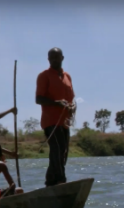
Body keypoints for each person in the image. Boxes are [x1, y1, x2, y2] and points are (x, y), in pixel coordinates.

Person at [35, 47, 77, 187]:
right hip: (51, 121)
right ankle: (60, 180)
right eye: (51, 57)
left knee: (63, 152)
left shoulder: (67, 76)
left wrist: (73, 107)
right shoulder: (44, 76)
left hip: (64, 121)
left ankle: (51, 181)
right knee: (57, 150)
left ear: (62, 58)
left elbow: (72, 98)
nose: (54, 59)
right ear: (48, 59)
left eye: (56, 57)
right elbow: (39, 99)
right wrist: (56, 103)